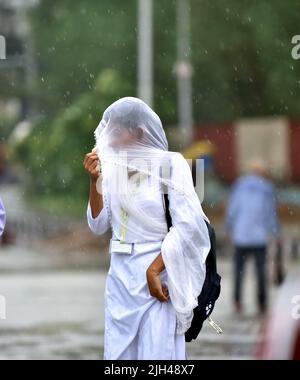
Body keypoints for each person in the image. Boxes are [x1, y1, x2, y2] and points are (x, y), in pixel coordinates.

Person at [83, 97, 211, 360]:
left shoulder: (172, 165)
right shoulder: (112, 170)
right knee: (119, 358)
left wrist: (154, 270)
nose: (111, 141)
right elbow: (98, 225)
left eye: (117, 133)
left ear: (140, 132)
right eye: (109, 133)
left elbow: (189, 226)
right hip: (119, 278)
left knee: (158, 356)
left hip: (159, 279)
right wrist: (94, 180)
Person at [225, 158, 280, 315]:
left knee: (239, 272)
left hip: (241, 236)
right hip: (259, 237)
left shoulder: (240, 185)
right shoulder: (267, 188)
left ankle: (237, 302)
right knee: (260, 272)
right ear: (262, 172)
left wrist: (229, 227)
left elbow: (233, 209)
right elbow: (271, 213)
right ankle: (262, 303)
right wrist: (276, 232)